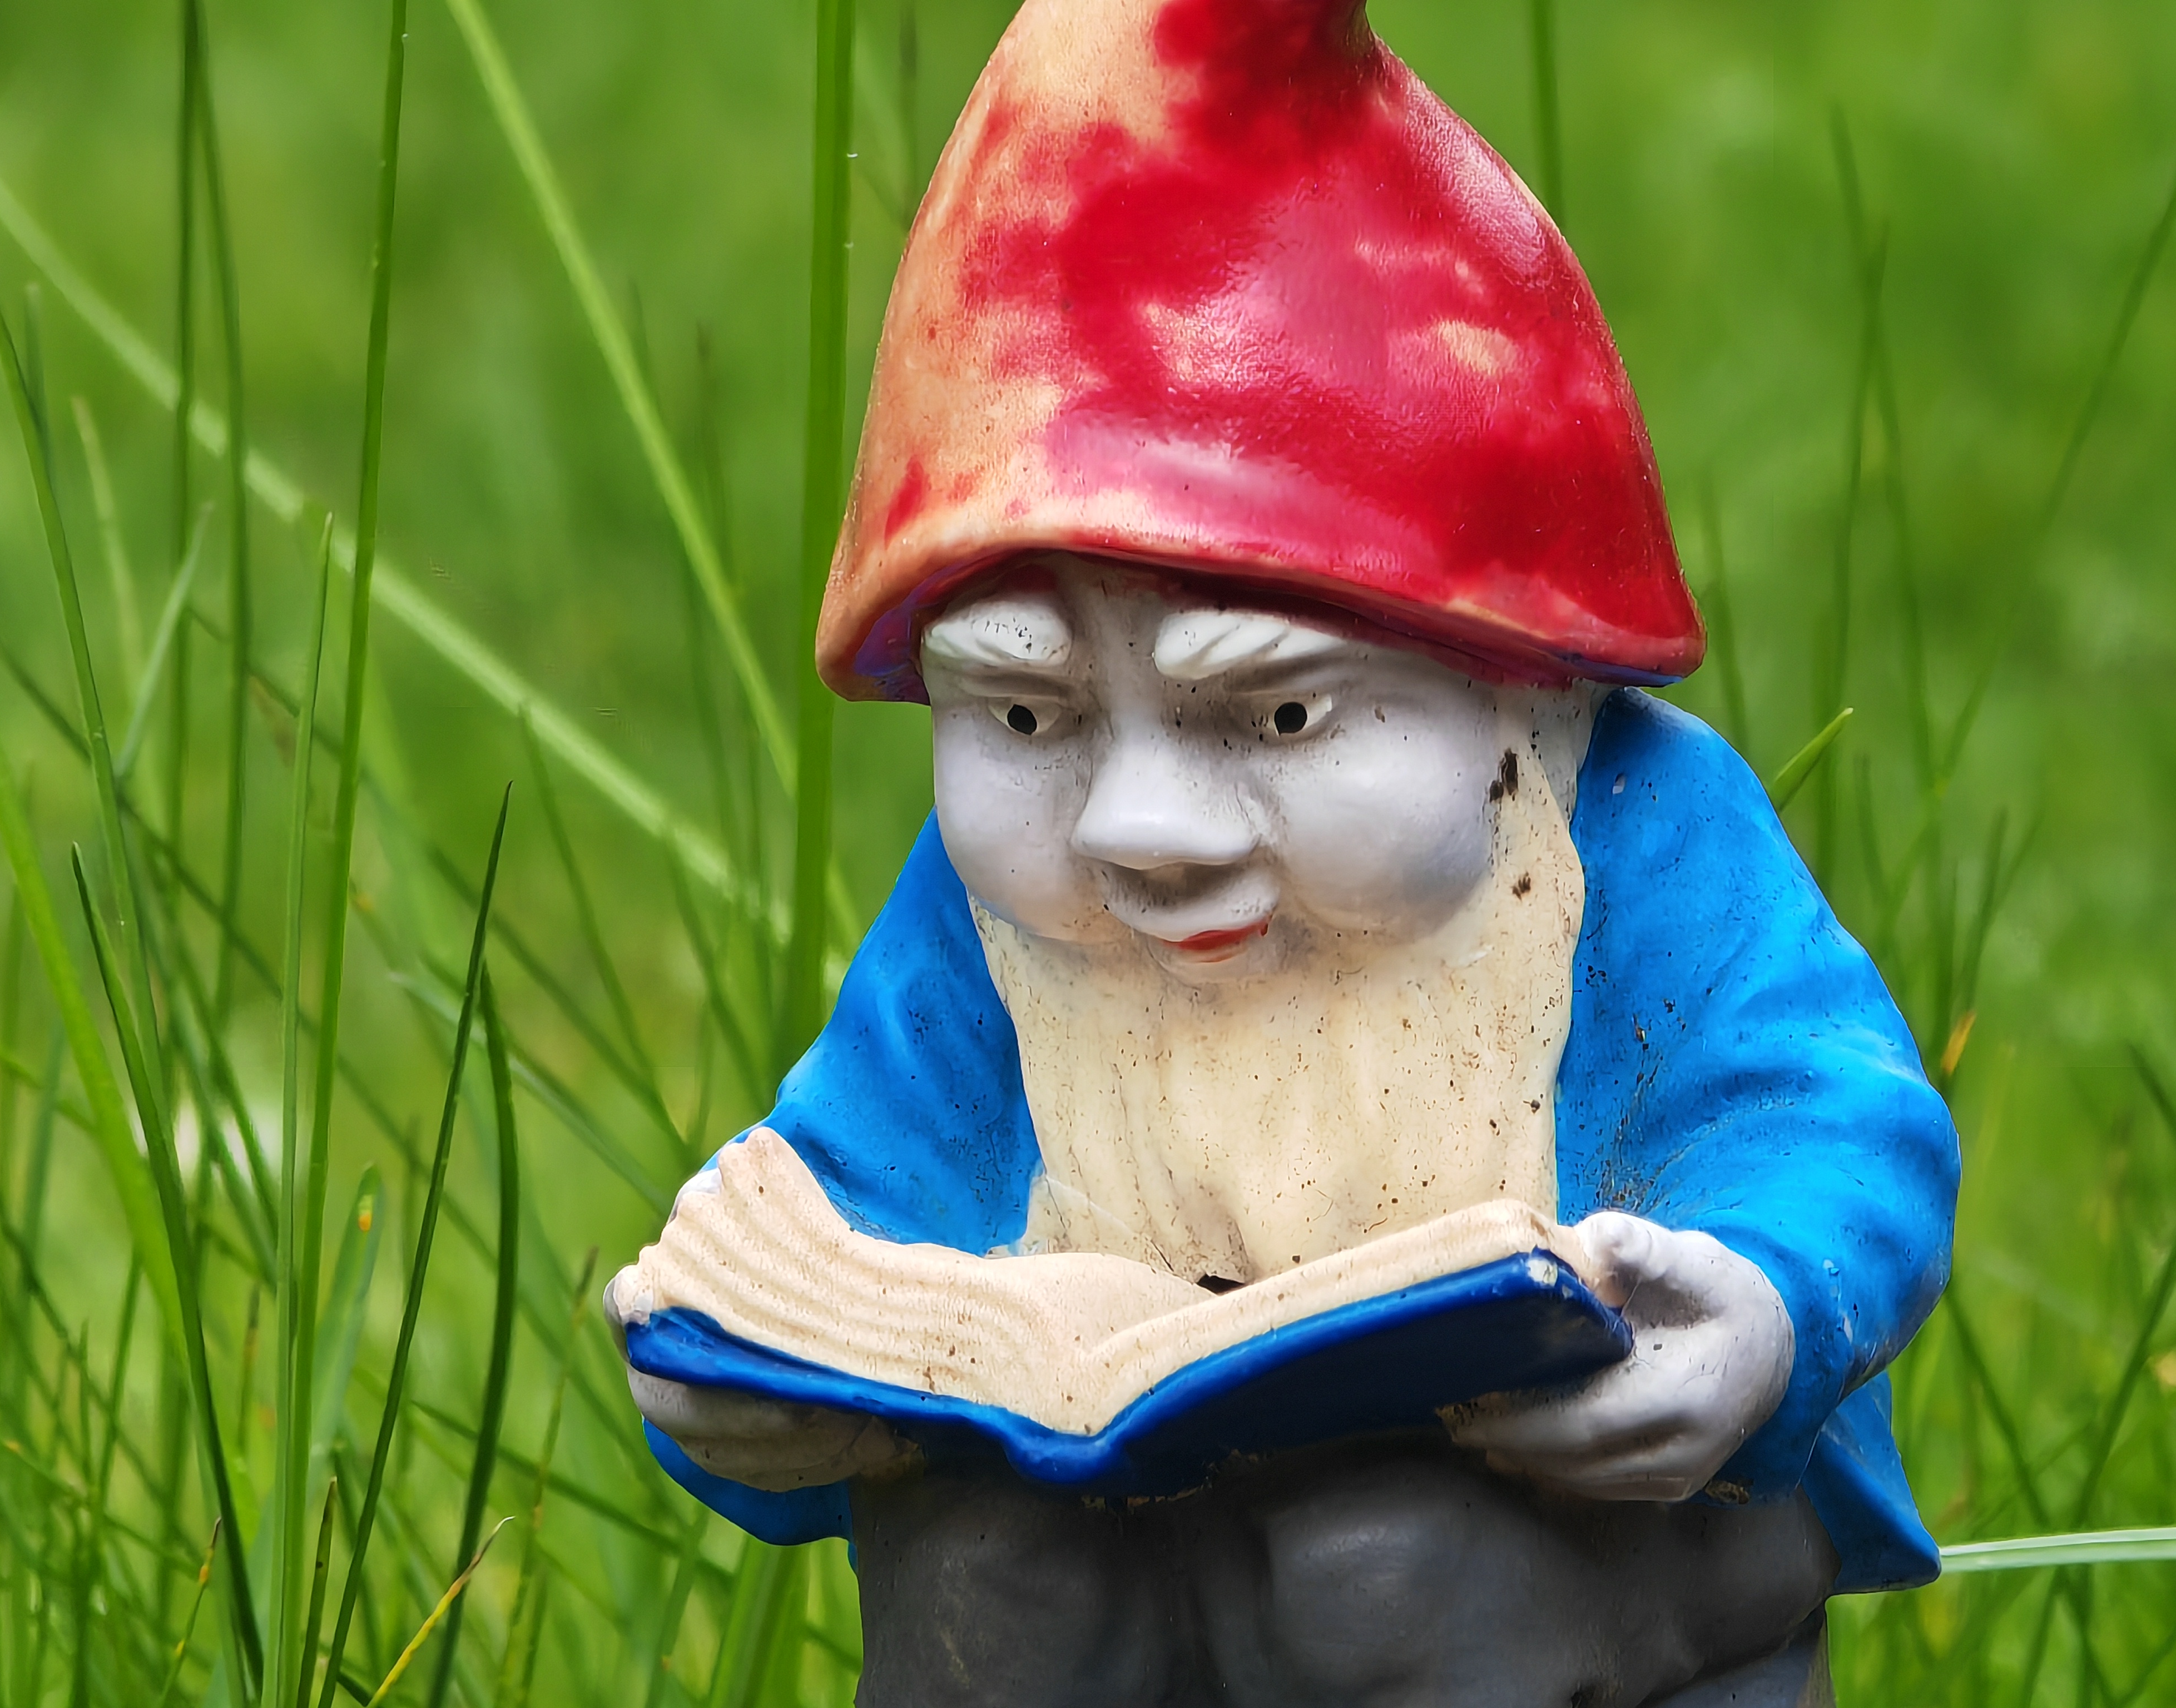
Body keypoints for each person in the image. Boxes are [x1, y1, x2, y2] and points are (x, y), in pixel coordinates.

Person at [615, 0, 1959, 1699]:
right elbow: (850, 1203)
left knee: (1377, 1576)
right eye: (1027, 715)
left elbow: (1829, 1118)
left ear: (1511, 683)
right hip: (1119, 1533)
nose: (1140, 829)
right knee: (983, 1583)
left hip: (1583, 1529)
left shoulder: (1630, 835)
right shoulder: (999, 928)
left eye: (1280, 715)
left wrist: (1752, 1321)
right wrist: (740, 1377)